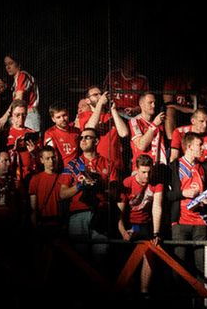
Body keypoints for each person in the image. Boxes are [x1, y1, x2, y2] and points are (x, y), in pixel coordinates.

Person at [167, 132, 207, 278]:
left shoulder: (205, 168)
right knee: (179, 267)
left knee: (203, 267)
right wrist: (183, 193)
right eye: (199, 145)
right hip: (180, 222)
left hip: (201, 221)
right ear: (189, 147)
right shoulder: (173, 167)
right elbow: (165, 196)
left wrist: (206, 199)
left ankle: (203, 300)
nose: (203, 148)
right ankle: (179, 300)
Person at [60, 124, 112, 259]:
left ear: (96, 141)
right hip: (78, 214)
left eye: (87, 137)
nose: (82, 140)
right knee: (79, 258)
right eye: (81, 138)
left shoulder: (108, 163)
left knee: (101, 256)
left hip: (101, 214)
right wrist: (80, 186)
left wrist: (100, 185)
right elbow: (62, 194)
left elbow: (116, 193)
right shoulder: (72, 164)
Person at [116, 153, 164, 293]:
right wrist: (123, 231)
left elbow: (157, 207)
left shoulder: (156, 183)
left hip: (145, 224)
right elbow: (119, 211)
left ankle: (145, 291)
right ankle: (127, 288)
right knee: (127, 258)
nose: (146, 176)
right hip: (129, 223)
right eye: (143, 172)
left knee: (150, 255)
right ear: (136, 169)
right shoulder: (127, 182)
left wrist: (156, 232)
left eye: (149, 172)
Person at [0, 53, 40, 131]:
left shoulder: (22, 75)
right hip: (23, 115)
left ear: (18, 64)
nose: (8, 67)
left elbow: (18, 100)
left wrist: (5, 116)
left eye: (10, 63)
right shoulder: (16, 81)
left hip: (29, 115)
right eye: (6, 64)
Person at [29, 146, 64, 233]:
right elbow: (33, 208)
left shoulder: (62, 178)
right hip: (43, 222)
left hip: (59, 222)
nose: (51, 161)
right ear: (42, 160)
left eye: (53, 158)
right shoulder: (36, 179)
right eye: (47, 158)